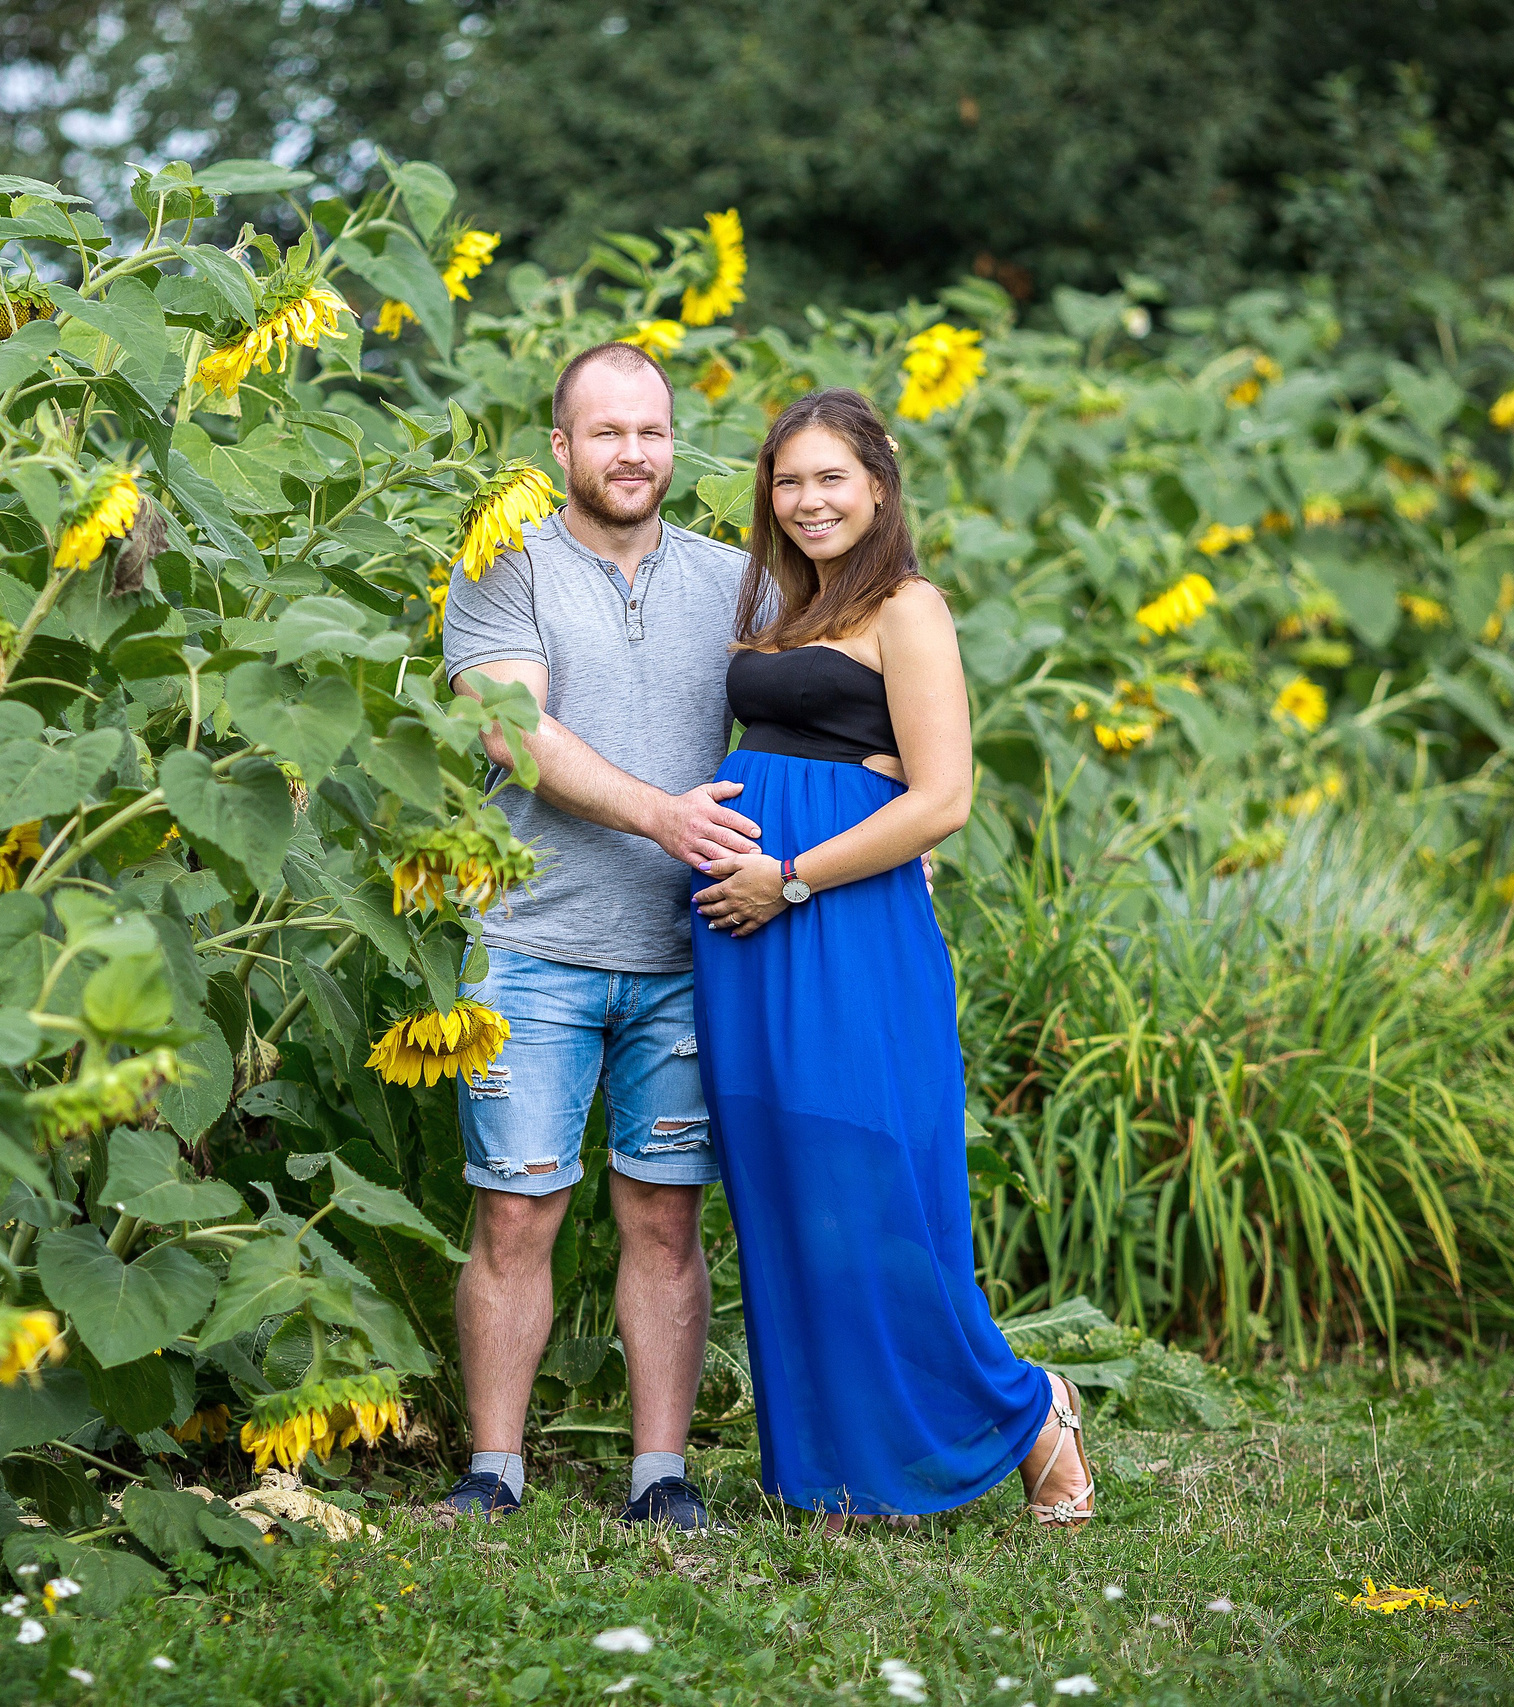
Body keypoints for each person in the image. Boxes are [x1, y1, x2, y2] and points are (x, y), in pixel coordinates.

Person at [686, 386, 1096, 1532]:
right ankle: (833, 1470)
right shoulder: (780, 605)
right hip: (744, 934)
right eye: (787, 481)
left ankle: (1026, 1407)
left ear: (878, 482)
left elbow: (945, 797)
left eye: (829, 478)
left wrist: (796, 873)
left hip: (835, 921)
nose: (807, 500)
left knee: (872, 1186)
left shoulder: (908, 607)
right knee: (785, 1185)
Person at [436, 341, 756, 1530]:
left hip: (688, 955)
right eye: (607, 433)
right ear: (560, 449)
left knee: (666, 1218)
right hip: (530, 941)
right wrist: (663, 814)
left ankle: (659, 1477)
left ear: (675, 445)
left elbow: (828, 709)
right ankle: (492, 1471)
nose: (633, 454)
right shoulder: (503, 568)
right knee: (515, 1211)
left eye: (652, 432)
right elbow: (511, 729)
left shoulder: (735, 584)